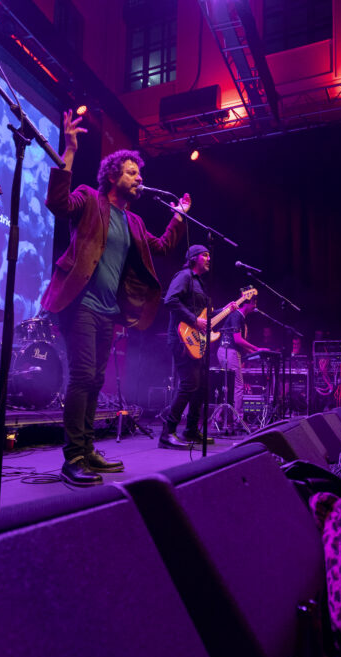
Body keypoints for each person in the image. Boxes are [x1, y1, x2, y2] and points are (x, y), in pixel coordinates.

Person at [42, 111, 189, 486]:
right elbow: (57, 203)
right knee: (82, 376)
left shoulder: (134, 221)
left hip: (109, 311)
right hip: (80, 303)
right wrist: (70, 150)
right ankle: (73, 457)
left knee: (95, 380)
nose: (139, 178)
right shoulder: (89, 199)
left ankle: (87, 449)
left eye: (139, 174)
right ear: (112, 176)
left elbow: (161, 247)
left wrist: (178, 217)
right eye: (131, 173)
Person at [161, 245, 227, 449]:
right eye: (205, 255)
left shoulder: (199, 283)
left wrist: (227, 310)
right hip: (182, 339)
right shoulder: (184, 276)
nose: (209, 258)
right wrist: (193, 320)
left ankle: (190, 430)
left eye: (209, 255)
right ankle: (167, 432)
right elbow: (170, 300)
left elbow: (204, 317)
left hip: (197, 341)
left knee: (201, 386)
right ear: (193, 258)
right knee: (189, 384)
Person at [214, 294, 268, 428]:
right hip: (229, 351)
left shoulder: (240, 317)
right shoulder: (237, 316)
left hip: (228, 351)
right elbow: (237, 340)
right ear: (247, 303)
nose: (255, 305)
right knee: (238, 386)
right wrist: (256, 348)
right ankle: (238, 419)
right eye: (254, 302)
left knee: (229, 386)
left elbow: (240, 344)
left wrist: (256, 352)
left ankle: (218, 417)